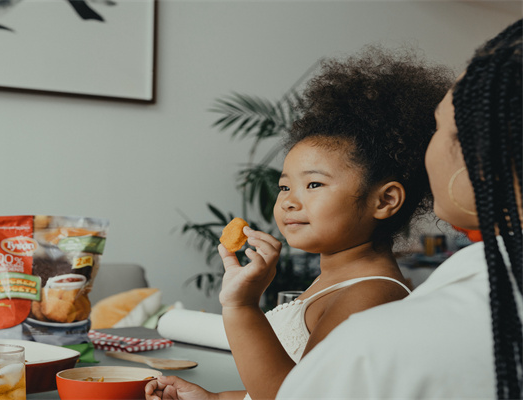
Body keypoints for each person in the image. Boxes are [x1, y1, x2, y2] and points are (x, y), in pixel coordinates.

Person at [146, 46, 453, 400]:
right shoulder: (335, 280)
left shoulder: (369, 295)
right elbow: (285, 384)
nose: (288, 200)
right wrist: (213, 399)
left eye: (313, 184)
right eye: (284, 186)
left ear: (384, 200)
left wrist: (242, 306)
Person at [274, 19, 523, 399]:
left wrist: (238, 307)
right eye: (284, 186)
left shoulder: (376, 341)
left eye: (438, 127)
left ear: (484, 155)